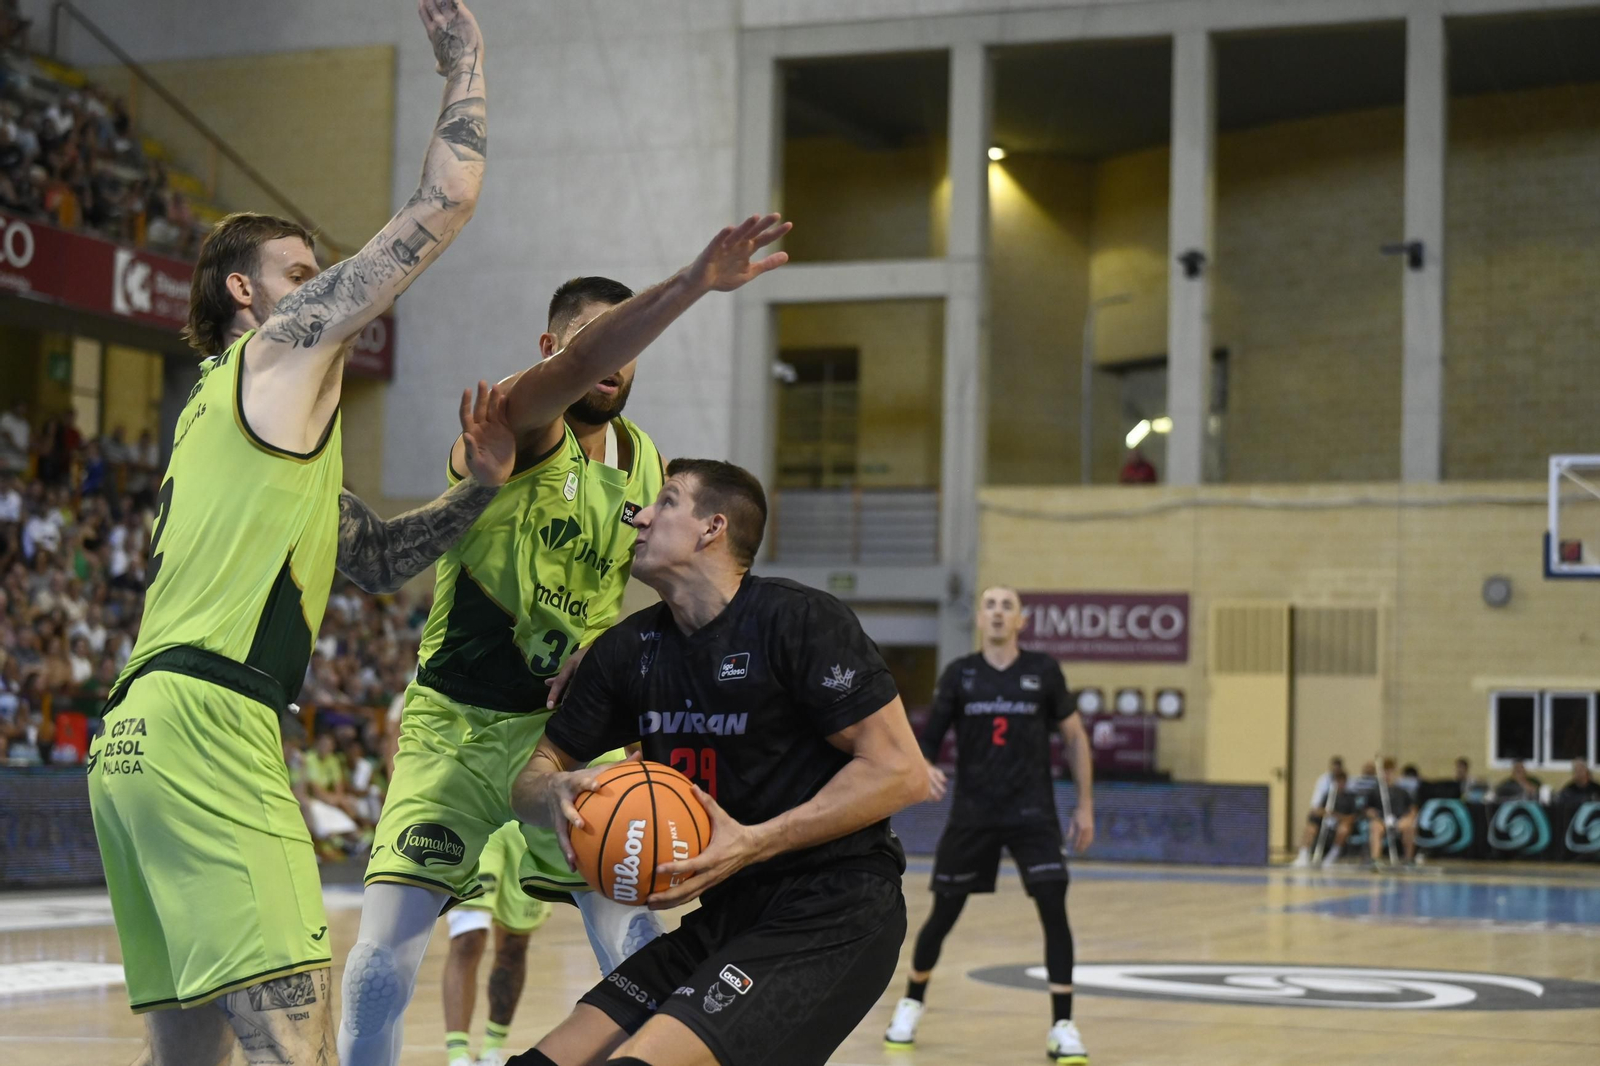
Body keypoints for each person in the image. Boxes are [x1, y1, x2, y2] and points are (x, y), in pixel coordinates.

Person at [85, 3, 500, 1061]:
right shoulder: (278, 349)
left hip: (133, 738)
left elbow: (374, 560)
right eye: (300, 271)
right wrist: (467, 57)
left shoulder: (221, 423)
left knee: (188, 1053)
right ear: (247, 292)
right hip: (211, 722)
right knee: (297, 1047)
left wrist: (480, 490)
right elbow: (445, 200)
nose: (322, 288)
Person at [338, 217, 791, 1066]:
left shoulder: (647, 464)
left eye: (629, 347)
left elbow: (667, 590)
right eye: (596, 342)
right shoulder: (519, 424)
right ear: (554, 347)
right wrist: (691, 284)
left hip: (571, 735)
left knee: (639, 950)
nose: (616, 359)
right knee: (378, 968)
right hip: (455, 730)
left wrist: (630, 671)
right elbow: (576, 371)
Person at [508, 458, 929, 1066]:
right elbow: (531, 778)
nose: (640, 516)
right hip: (726, 915)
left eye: (667, 501)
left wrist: (754, 842)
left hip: (832, 908)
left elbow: (901, 772)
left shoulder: (798, 621)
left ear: (713, 528)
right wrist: (550, 790)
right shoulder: (626, 650)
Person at [883, 585, 1093, 1064]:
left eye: (1007, 606)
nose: (998, 613)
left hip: (1033, 813)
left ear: (1021, 621)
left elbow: (1076, 738)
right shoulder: (961, 674)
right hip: (974, 814)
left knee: (1054, 909)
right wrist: (924, 767)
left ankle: (1063, 1026)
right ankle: (911, 1004)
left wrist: (1085, 805)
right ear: (979, 618)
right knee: (944, 913)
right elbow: (927, 741)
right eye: (990, 605)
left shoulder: (1043, 671)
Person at [442, 823, 552, 1066]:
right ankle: (457, 1057)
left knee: (514, 945)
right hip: (475, 818)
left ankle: (491, 1050)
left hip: (526, 824)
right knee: (467, 938)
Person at [1363, 759, 1418, 868]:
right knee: (1375, 827)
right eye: (1385, 772)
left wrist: (1408, 819)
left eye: (1390, 772)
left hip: (1400, 821)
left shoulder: (1402, 791)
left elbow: (1413, 809)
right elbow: (1367, 809)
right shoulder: (1375, 791)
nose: (1387, 775)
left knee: (1410, 827)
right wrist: (1372, 814)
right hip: (1381, 820)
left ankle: (1408, 859)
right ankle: (1375, 859)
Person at [1292, 755, 1344, 867]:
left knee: (1344, 827)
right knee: (1311, 827)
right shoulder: (1324, 781)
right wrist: (1325, 813)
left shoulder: (1347, 782)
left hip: (1339, 817)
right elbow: (1315, 806)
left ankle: (1332, 857)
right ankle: (1303, 855)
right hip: (1324, 814)